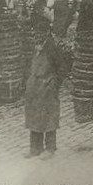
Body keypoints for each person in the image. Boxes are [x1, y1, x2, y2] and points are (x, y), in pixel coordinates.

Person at [24, 29, 67, 157]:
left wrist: (54, 84)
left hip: (47, 88)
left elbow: (62, 69)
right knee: (34, 117)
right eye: (35, 34)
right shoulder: (35, 48)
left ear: (46, 33)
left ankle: (50, 149)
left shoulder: (52, 49)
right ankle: (35, 148)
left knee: (49, 117)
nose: (37, 36)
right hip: (34, 87)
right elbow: (29, 66)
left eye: (40, 34)